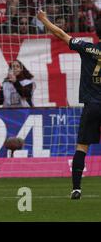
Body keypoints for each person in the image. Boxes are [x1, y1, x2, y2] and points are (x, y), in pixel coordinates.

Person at [37, 10, 101, 200]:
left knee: (82, 146)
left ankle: (76, 188)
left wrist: (44, 19)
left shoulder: (88, 48)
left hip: (92, 105)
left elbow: (61, 34)